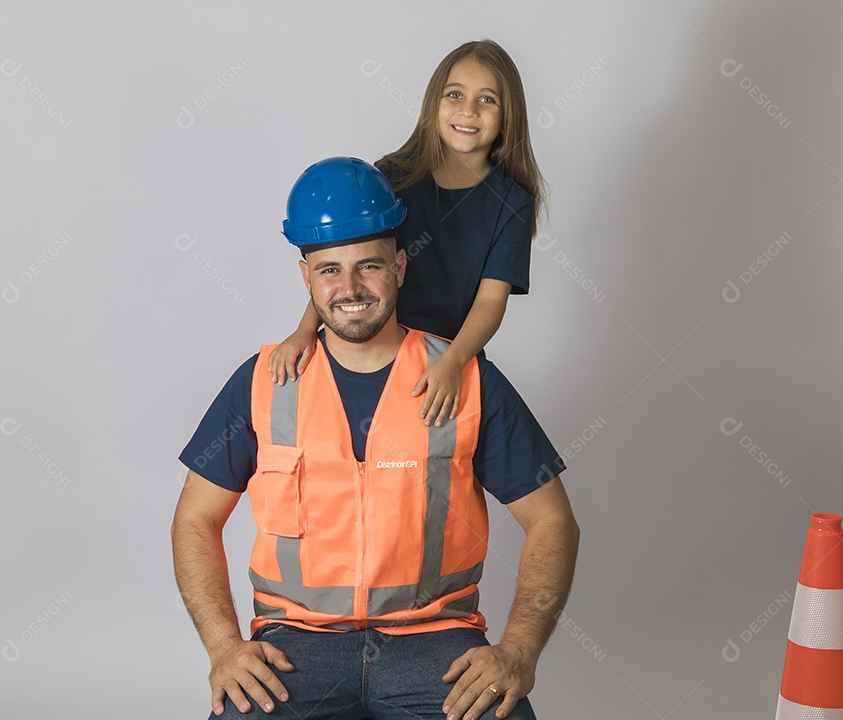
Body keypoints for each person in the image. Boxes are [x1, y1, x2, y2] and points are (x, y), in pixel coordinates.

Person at [172, 157, 579, 720]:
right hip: (294, 649)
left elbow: (552, 520)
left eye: (369, 266)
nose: (350, 288)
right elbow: (194, 518)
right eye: (330, 270)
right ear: (306, 278)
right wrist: (223, 647)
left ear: (400, 268)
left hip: (436, 643)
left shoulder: (466, 380)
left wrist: (518, 652)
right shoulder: (264, 383)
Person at [270, 40, 544, 430]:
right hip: (376, 348)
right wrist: (303, 331)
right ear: (435, 103)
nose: (468, 110)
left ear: (508, 115)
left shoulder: (512, 203)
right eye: (455, 95)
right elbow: (344, 269)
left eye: (487, 100)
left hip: (447, 360)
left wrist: (452, 362)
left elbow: (490, 301)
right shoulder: (392, 177)